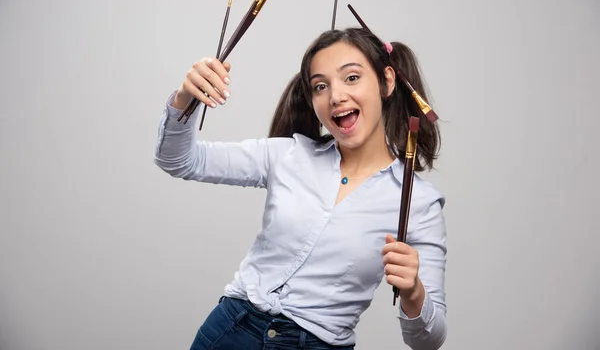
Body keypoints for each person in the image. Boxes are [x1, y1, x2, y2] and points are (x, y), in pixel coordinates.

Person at [154, 27, 447, 350]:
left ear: (386, 81)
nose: (335, 96)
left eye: (351, 78)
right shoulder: (288, 155)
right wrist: (185, 99)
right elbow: (180, 160)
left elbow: (428, 341)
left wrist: (413, 292)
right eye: (321, 86)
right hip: (231, 331)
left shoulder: (419, 202)